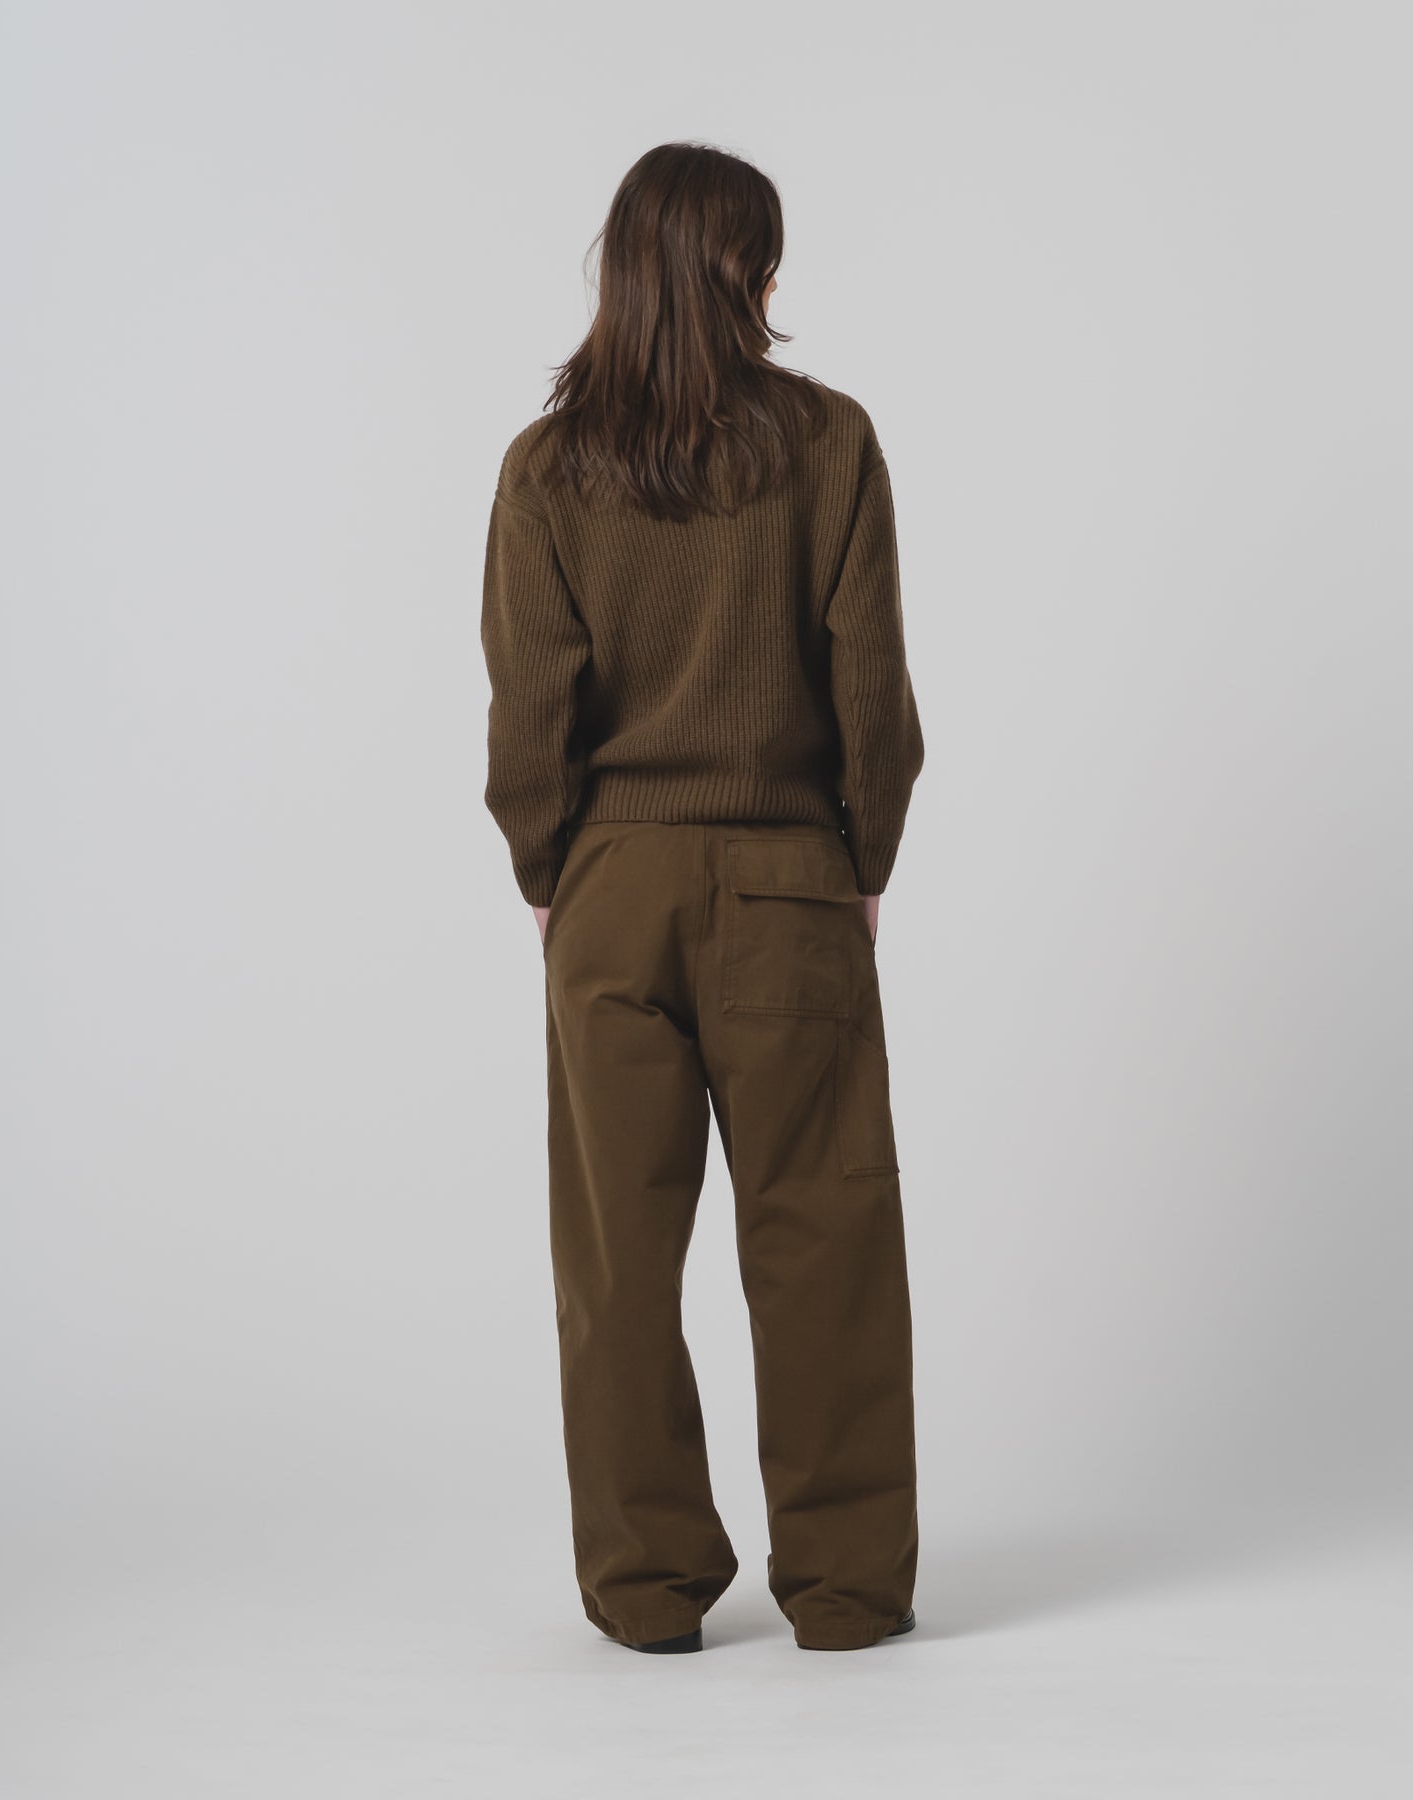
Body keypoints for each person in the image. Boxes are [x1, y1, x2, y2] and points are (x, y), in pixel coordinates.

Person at [480, 141, 925, 1654]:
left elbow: (530, 708)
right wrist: (862, 861)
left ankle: (646, 1586)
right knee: (825, 1237)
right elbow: (873, 690)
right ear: (753, 276)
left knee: (618, 1257)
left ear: (621, 270)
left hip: (610, 892)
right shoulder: (833, 441)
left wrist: (550, 871)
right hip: (793, 882)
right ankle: (848, 1589)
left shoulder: (547, 468)